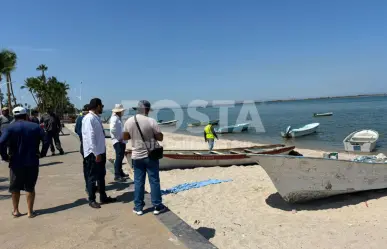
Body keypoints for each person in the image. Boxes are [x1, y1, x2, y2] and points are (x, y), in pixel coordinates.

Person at [0, 106, 45, 218]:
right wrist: (42, 153)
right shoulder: (35, 127)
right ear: (26, 115)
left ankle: (16, 211)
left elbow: (1, 143)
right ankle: (30, 212)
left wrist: (5, 156)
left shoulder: (10, 128)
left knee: (15, 187)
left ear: (14, 116)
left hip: (15, 162)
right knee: (30, 186)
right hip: (32, 161)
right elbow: (46, 140)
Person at [123, 100, 166, 216]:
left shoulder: (129, 121)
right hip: (150, 155)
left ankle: (138, 207)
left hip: (136, 156)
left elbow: (125, 136)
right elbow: (160, 137)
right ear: (146, 110)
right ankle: (157, 206)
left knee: (138, 182)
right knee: (154, 181)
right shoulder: (151, 121)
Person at [82, 98, 116, 209]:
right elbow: (89, 137)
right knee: (92, 177)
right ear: (97, 106)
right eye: (102, 105)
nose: (102, 108)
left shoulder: (96, 118)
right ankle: (92, 199)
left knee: (101, 176)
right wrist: (96, 153)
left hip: (100, 152)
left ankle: (103, 196)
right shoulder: (89, 118)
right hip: (93, 153)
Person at [109, 104, 129, 182]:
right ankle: (117, 175)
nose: (123, 112)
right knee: (119, 157)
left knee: (120, 157)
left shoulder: (117, 118)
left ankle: (120, 172)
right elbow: (113, 130)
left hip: (120, 140)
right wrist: (119, 137)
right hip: (118, 141)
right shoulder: (114, 118)